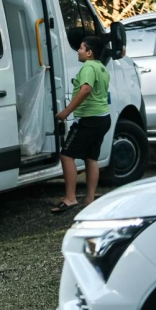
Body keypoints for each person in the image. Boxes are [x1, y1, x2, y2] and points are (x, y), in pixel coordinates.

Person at [51, 35, 111, 213]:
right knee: (91, 158)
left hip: (89, 120)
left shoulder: (88, 67)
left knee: (66, 155)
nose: (78, 51)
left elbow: (86, 89)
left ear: (89, 53)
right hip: (102, 118)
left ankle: (70, 198)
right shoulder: (101, 68)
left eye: (81, 48)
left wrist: (66, 111)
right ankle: (89, 198)